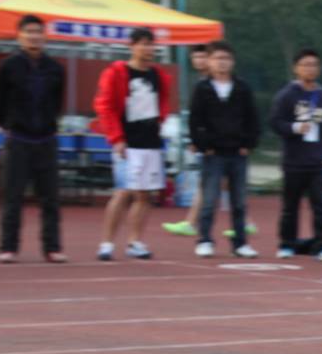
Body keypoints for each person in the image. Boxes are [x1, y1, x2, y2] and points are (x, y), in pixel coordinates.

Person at [93, 27, 171, 262]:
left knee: (145, 195)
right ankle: (107, 243)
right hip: (127, 143)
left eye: (151, 44)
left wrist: (160, 123)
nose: (148, 49)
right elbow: (105, 106)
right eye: (143, 44)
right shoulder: (117, 73)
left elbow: (163, 103)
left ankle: (134, 241)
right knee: (123, 192)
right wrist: (116, 138)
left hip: (151, 142)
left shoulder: (159, 75)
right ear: (132, 46)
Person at [0, 14, 67, 264]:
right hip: (18, 139)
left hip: (46, 140)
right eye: (29, 32)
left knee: (50, 198)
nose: (34, 37)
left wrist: (49, 124)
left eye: (38, 32)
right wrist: (9, 125)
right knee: (12, 196)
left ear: (45, 36)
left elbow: (58, 103)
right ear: (19, 36)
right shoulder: (8, 66)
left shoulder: (55, 68)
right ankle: (8, 247)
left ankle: (52, 247)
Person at [188, 40, 260, 259]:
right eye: (218, 58)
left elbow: (252, 118)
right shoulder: (202, 88)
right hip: (213, 153)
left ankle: (240, 243)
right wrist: (204, 145)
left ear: (233, 61)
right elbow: (195, 121)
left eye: (226, 58)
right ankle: (205, 240)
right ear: (209, 61)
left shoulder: (242, 87)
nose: (222, 63)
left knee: (239, 202)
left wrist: (248, 144)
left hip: (238, 152)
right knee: (209, 200)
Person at [269, 48, 322, 261]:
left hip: (317, 162)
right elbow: (275, 122)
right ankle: (287, 244)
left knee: (321, 207)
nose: (310, 69)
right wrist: (294, 128)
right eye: (306, 65)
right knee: (290, 207)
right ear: (296, 68)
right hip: (294, 161)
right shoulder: (287, 95)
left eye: (314, 65)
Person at [162, 44, 214, 237]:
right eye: (195, 58)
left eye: (202, 57)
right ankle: (192, 222)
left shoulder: (216, 82)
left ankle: (193, 223)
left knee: (213, 182)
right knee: (212, 182)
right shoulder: (202, 81)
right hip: (207, 141)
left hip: (217, 142)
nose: (198, 61)